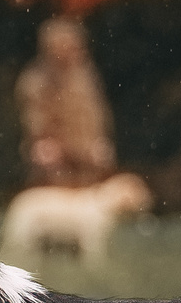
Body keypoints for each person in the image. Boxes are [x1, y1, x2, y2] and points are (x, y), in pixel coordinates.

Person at [15, 17, 117, 186]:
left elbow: (97, 115)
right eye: (63, 47)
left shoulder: (86, 78)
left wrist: (96, 142)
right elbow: (35, 122)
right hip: (56, 146)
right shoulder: (34, 81)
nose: (69, 52)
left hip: (84, 145)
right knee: (46, 155)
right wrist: (51, 143)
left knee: (102, 155)